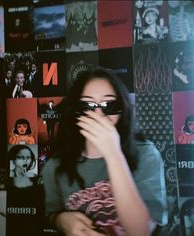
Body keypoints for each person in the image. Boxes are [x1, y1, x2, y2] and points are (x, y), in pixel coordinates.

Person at [42, 66, 168, 235]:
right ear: (75, 112)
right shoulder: (55, 165)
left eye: (109, 105)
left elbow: (142, 232)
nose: (98, 114)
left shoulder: (146, 154)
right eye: (87, 105)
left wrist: (113, 153)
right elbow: (52, 212)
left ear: (122, 109)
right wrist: (60, 220)